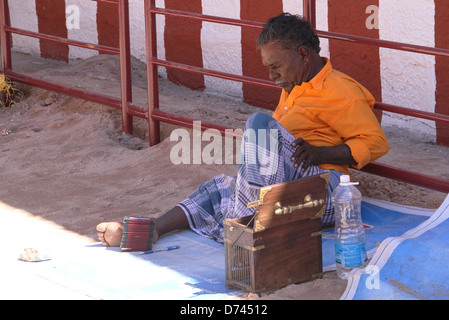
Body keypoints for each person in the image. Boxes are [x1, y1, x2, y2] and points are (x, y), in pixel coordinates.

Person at [96, 12, 389, 248]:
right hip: (287, 192)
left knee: (259, 125)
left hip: (325, 190)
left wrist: (320, 153)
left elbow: (376, 142)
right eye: (267, 67)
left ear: (302, 54)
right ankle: (153, 229)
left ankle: (249, 227)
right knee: (220, 185)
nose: (271, 75)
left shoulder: (340, 91)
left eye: (276, 66)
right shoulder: (295, 83)